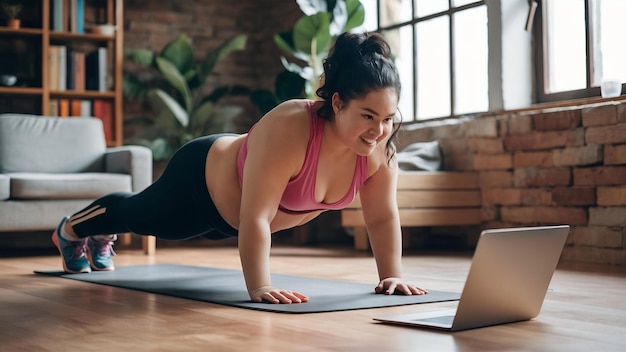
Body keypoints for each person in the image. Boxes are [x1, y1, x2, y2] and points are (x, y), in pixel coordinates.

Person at [51, 31, 429, 304]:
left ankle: (101, 235)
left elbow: (381, 218)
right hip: (199, 183)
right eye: (368, 115)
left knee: (142, 218)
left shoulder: (380, 151)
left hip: (232, 223)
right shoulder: (292, 126)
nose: (378, 131)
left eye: (388, 118)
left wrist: (391, 276)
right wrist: (259, 286)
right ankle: (71, 230)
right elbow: (258, 216)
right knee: (139, 216)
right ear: (338, 102)